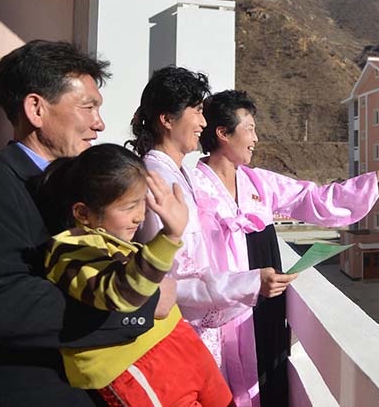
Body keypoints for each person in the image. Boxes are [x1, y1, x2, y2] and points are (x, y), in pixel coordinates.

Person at [0, 40, 175, 406]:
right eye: (88, 107)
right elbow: (5, 304)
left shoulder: (90, 185)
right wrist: (138, 304)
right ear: (36, 109)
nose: (99, 123)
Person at [191, 89, 379, 407]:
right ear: (223, 133)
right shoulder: (192, 188)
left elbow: (311, 198)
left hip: (266, 306)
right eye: (250, 129)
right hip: (224, 309)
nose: (256, 139)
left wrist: (369, 184)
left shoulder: (258, 182)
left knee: (267, 381)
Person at [126, 67, 298, 402]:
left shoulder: (177, 174)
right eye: (196, 111)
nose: (203, 122)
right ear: (167, 119)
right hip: (182, 335)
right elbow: (177, 282)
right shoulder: (159, 181)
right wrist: (251, 282)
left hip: (199, 332)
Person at [39, 143, 233, 407]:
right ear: (83, 213)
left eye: (142, 202)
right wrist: (169, 237)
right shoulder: (69, 249)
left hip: (179, 341)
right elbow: (119, 292)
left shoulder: (121, 243)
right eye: (129, 207)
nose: (140, 217)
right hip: (139, 365)